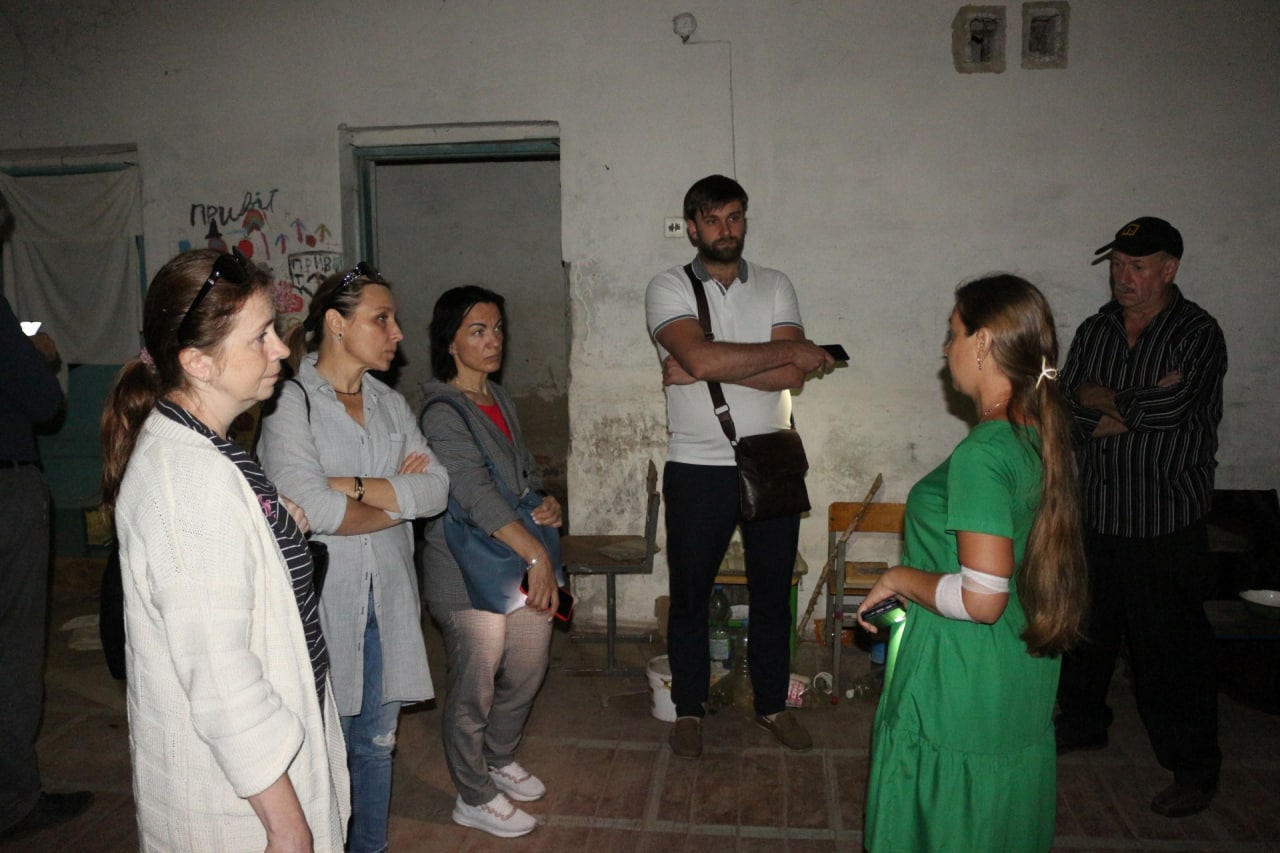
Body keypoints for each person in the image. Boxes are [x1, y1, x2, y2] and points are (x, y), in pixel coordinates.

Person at [99, 248, 349, 850]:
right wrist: (287, 828)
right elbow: (221, 678)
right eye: (260, 337)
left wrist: (272, 526)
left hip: (263, 774)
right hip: (244, 810)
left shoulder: (211, 449)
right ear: (198, 363)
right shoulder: (187, 482)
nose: (281, 350)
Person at [855, 274, 1087, 852]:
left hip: (959, 678)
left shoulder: (984, 452)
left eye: (952, 333)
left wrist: (898, 577)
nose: (945, 349)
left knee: (948, 825)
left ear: (983, 342)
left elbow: (981, 599)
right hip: (1017, 674)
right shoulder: (1037, 436)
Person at [258, 262, 449, 852]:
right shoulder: (289, 400)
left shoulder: (390, 404)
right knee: (327, 747)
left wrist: (355, 487)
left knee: (377, 746)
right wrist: (397, 501)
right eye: (382, 319)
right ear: (337, 325)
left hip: (388, 599)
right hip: (324, 603)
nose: (397, 333)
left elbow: (437, 489)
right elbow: (311, 505)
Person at [644, 174, 834, 758]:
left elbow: (792, 375)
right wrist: (779, 352)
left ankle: (772, 706)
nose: (725, 230)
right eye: (712, 220)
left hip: (770, 458)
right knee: (691, 597)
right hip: (696, 466)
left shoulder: (776, 284)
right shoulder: (667, 287)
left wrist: (709, 366)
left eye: (734, 217)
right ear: (692, 227)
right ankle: (689, 710)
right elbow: (702, 357)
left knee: (773, 593)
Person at [1055, 216, 1227, 818]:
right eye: (1117, 265)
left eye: (1137, 266)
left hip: (1164, 516)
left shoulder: (1197, 333)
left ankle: (1194, 767)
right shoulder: (1096, 329)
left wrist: (1101, 398)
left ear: (1169, 269)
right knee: (1086, 633)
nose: (1122, 277)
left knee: (1171, 651)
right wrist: (1127, 404)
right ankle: (1083, 724)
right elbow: (1065, 406)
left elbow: (1174, 408)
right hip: (1099, 508)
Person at [418, 285, 562, 839]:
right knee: (475, 681)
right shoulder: (441, 411)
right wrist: (536, 554)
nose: (493, 340)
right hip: (464, 566)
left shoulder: (498, 398)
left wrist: (545, 500)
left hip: (512, 559)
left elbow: (522, 472)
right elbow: (474, 491)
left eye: (497, 328)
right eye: (477, 331)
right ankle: (473, 794)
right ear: (449, 342)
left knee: (528, 663)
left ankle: (498, 757)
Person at [0, 296, 94, 843]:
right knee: (14, 648)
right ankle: (13, 798)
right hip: (6, 485)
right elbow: (42, 403)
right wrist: (37, 353)